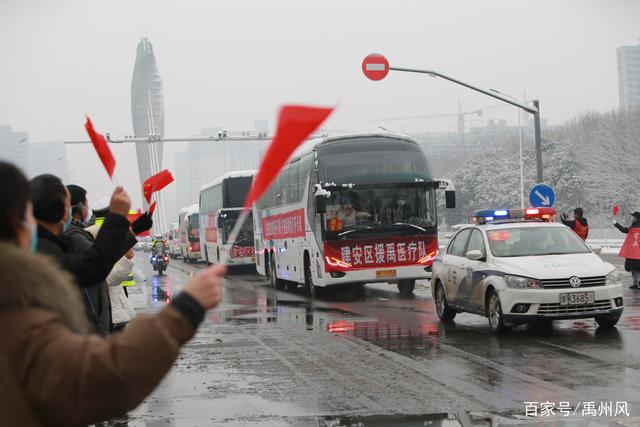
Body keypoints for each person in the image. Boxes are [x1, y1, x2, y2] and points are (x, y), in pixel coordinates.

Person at [0, 161, 226, 426]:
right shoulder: (24, 313)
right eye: (28, 214)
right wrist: (185, 309)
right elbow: (104, 379)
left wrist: (129, 229)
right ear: (19, 221)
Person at [29, 174, 139, 291]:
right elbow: (92, 267)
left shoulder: (50, 242)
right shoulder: (50, 246)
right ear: (60, 209)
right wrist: (117, 216)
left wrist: (134, 229)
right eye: (67, 204)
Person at [85, 202, 138, 331]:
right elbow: (108, 277)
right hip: (109, 311)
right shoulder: (103, 233)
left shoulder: (89, 231)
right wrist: (127, 257)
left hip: (111, 305)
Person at [613, 211, 640, 289]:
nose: (632, 218)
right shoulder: (632, 228)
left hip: (633, 253)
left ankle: (637, 281)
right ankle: (637, 281)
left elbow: (623, 230)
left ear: (636, 218)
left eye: (633, 217)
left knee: (634, 267)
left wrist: (615, 224)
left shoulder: (632, 228)